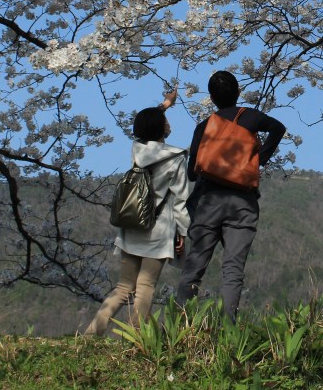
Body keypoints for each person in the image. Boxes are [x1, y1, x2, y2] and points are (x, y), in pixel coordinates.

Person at [175, 71, 286, 320]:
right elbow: (278, 128)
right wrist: (259, 158)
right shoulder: (251, 116)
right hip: (242, 202)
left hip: (208, 201)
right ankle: (227, 331)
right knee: (233, 268)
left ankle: (179, 327)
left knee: (194, 267)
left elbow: (193, 173)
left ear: (212, 98)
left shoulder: (204, 127)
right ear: (238, 92)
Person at [84, 88, 191, 335]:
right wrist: (183, 232)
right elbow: (180, 200)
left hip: (132, 224)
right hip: (159, 227)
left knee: (123, 288)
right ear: (162, 128)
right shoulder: (176, 158)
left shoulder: (137, 150)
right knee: (145, 287)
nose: (167, 123)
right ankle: (133, 339)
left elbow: (146, 124)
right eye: (165, 120)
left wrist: (165, 104)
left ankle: (91, 333)